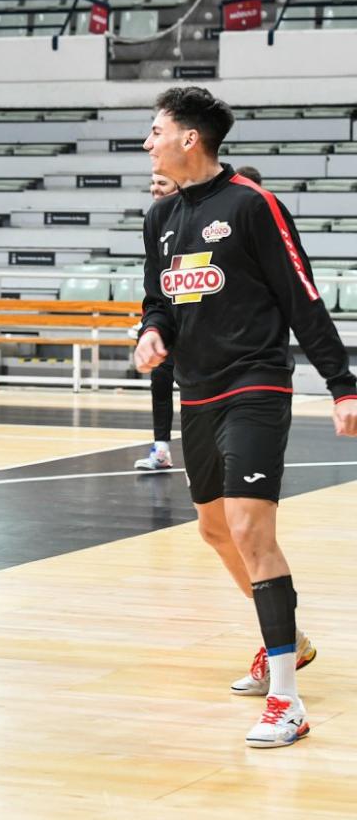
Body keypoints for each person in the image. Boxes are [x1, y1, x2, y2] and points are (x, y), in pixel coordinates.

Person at [136, 87, 357, 747]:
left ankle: (287, 701)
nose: (148, 143)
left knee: (249, 527)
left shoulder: (253, 206)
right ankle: (287, 641)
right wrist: (154, 333)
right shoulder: (161, 218)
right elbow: (159, 298)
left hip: (257, 384)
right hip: (195, 392)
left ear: (188, 139)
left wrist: (343, 385)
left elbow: (303, 295)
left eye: (155, 131)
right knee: (214, 531)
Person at [134, 173, 178, 471]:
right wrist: (152, 325)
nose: (155, 188)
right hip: (168, 320)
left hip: (197, 320)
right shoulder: (154, 220)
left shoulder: (197, 218)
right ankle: (161, 448)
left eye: (162, 183)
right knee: (160, 381)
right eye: (153, 183)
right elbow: (155, 283)